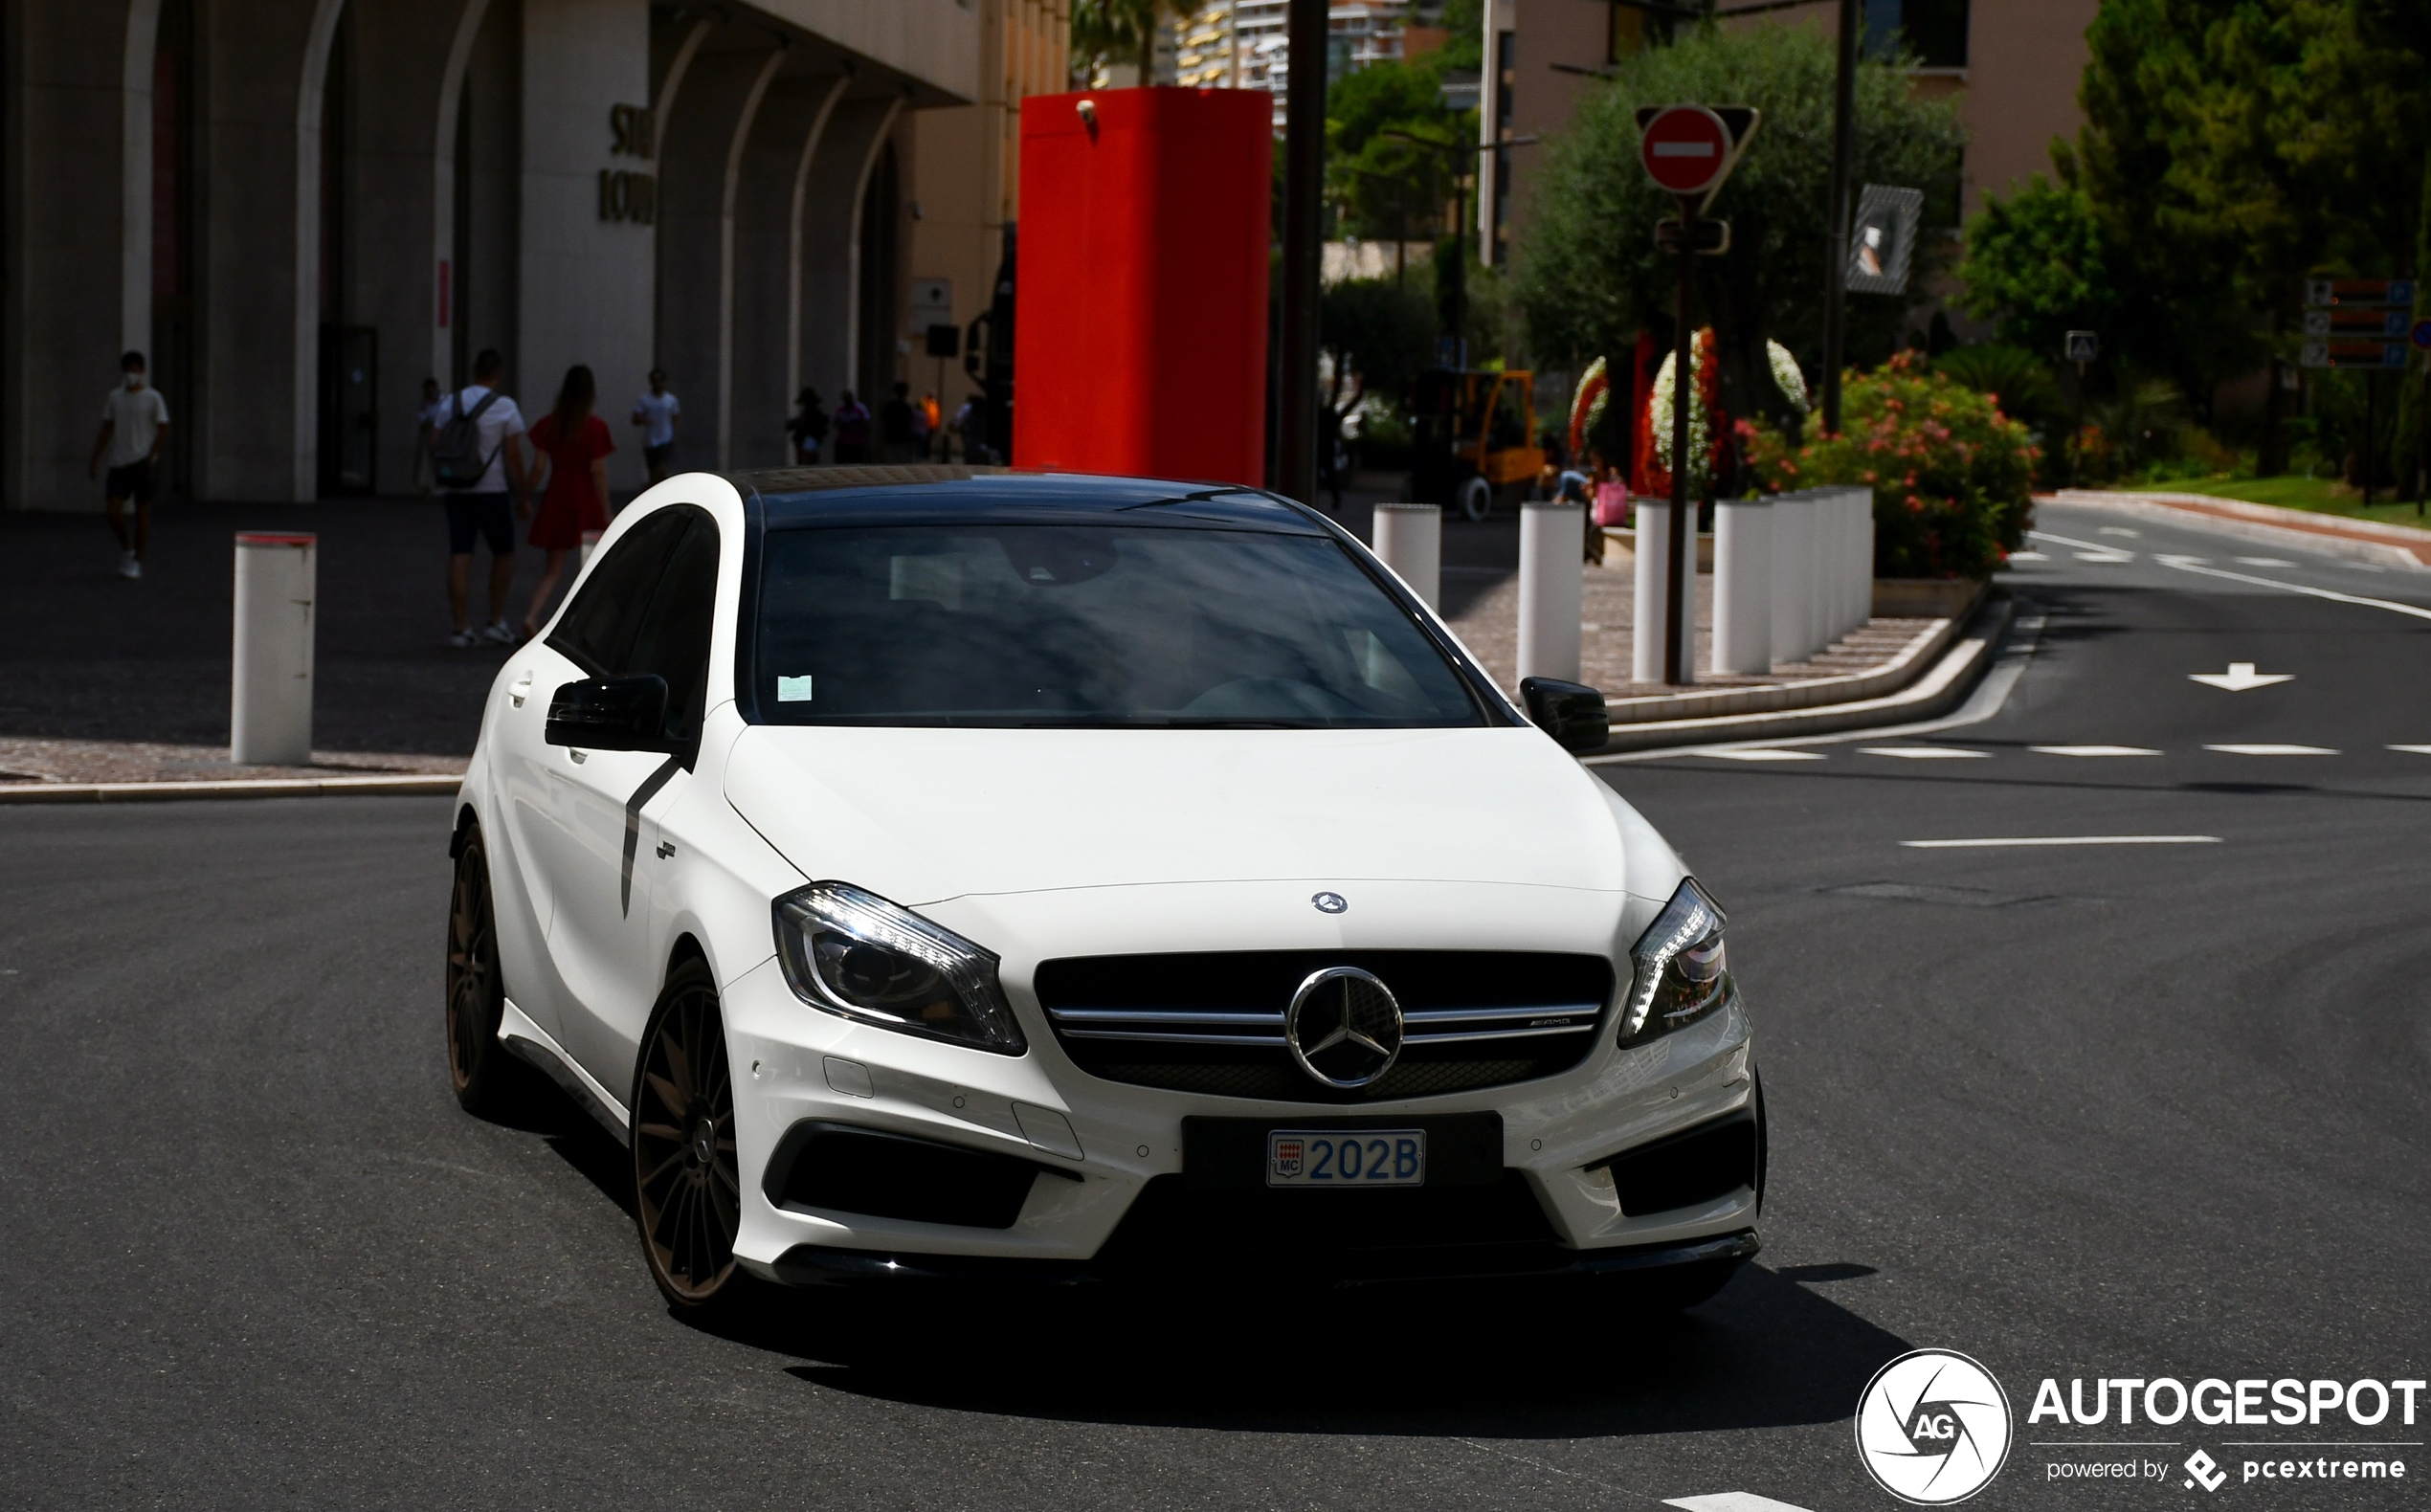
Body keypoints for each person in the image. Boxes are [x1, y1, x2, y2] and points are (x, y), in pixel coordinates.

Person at [438, 348, 529, 648]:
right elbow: (513, 455)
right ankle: (495, 620)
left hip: (456, 489)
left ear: (474, 370)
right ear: (498, 373)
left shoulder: (450, 402)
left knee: (460, 554)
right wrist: (524, 493)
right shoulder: (505, 406)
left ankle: (460, 627)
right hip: (491, 489)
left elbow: (435, 443)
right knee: (504, 553)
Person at [520, 364, 614, 640]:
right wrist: (607, 511)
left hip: (557, 496)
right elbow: (598, 471)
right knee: (589, 568)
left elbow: (537, 467)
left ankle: (531, 615)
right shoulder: (596, 427)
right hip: (587, 501)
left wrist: (524, 497)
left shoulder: (549, 425)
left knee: (552, 570)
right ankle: (579, 625)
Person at [88, 350, 169, 580]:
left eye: (135, 370)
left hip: (142, 463)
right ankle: (127, 547)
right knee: (113, 510)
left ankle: (136, 561)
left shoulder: (153, 398)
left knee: (142, 514)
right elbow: (107, 427)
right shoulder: (115, 397)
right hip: (119, 462)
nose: (131, 375)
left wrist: (152, 454)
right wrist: (96, 457)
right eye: (128, 370)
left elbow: (163, 427)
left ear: (142, 371)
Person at [632, 369, 680, 483]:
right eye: (654, 381)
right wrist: (645, 420)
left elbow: (676, 417)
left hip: (665, 439)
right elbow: (635, 418)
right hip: (650, 440)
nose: (657, 383)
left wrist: (675, 434)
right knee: (653, 470)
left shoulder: (670, 400)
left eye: (659, 380)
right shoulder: (644, 400)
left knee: (663, 468)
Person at [413, 377, 447, 497]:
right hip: (427, 434)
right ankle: (424, 486)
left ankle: (438, 484)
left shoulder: (442, 402)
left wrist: (432, 423)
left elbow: (440, 421)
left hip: (438, 434)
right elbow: (422, 422)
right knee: (424, 459)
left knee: (437, 459)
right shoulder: (424, 403)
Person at [787, 388, 829, 465]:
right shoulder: (811, 412)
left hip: (809, 439)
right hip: (807, 439)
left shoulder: (813, 413)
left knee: (806, 462)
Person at [879, 381, 918, 463]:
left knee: (891, 463)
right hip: (903, 440)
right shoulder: (906, 407)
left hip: (891, 438)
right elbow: (910, 424)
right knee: (902, 463)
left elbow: (883, 422)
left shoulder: (889, 406)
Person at [832, 389, 872, 463]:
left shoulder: (860, 408)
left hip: (857, 442)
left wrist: (857, 424)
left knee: (855, 462)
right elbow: (835, 422)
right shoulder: (840, 408)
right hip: (843, 441)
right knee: (840, 462)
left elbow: (867, 423)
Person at [954, 394, 990, 464]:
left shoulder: (967, 409)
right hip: (975, 440)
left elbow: (960, 418)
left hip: (973, 439)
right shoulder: (977, 417)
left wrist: (957, 426)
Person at [918, 390, 940, 458]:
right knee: (924, 440)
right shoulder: (923, 401)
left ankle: (927, 454)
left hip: (932, 426)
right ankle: (922, 454)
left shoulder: (933, 403)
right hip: (924, 425)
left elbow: (936, 414)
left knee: (928, 441)